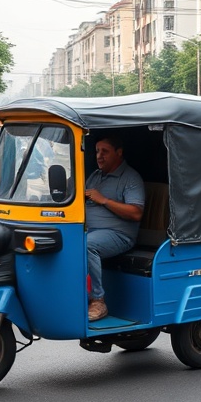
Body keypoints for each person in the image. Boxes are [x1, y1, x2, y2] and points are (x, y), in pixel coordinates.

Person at [84, 137, 145, 321]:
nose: (99, 156)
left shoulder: (130, 178)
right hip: (91, 230)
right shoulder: (95, 176)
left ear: (119, 153)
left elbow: (136, 213)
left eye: (105, 151)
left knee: (87, 245)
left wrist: (103, 200)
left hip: (119, 235)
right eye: (97, 151)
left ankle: (98, 300)